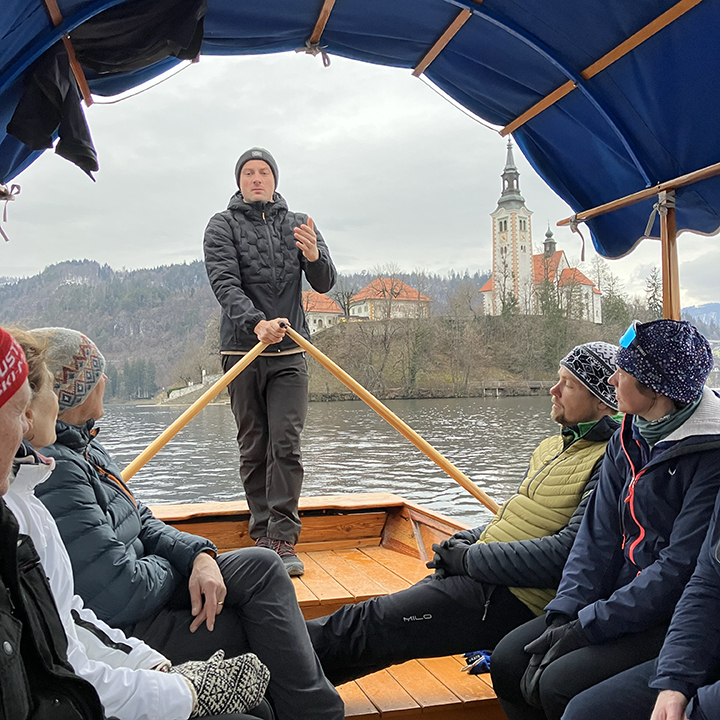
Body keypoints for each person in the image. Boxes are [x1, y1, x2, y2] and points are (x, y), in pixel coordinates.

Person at [32, 327, 344, 720]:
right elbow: (118, 590)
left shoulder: (85, 444)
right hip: (133, 622)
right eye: (97, 375)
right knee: (265, 634)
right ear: (74, 392)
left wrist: (198, 555)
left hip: (148, 588)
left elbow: (141, 519)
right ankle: (316, 711)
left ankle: (314, 712)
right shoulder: (58, 470)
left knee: (261, 565)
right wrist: (177, 567)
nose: (106, 381)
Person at [307, 342, 621, 685]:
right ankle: (287, 697)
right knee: (377, 631)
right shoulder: (554, 447)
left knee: (368, 622)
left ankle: (261, 653)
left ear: (604, 401)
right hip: (488, 575)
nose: (553, 390)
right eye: (557, 379)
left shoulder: (611, 461)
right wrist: (466, 539)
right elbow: (512, 519)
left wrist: (469, 559)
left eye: (569, 385)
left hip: (516, 598)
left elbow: (568, 555)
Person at [490, 319, 720, 720]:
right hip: (619, 597)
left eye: (624, 371)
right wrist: (565, 612)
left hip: (668, 611)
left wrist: (588, 626)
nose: (613, 379)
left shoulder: (709, 455)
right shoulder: (627, 435)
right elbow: (596, 538)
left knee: (560, 684)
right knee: (508, 660)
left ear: (654, 387)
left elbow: (679, 569)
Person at [203, 147, 337, 577]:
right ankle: (261, 534)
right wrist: (256, 323)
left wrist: (315, 256)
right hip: (242, 352)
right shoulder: (221, 226)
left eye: (264, 172)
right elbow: (224, 283)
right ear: (239, 181)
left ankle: (283, 537)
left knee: (286, 444)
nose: (256, 178)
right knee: (254, 444)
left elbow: (325, 282)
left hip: (292, 350)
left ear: (275, 180)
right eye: (248, 172)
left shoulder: (300, 224)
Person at [0, 326, 108, 719]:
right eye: (19, 409)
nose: (27, 424)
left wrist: (195, 551)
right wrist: (182, 691)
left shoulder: (42, 479)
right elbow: (114, 586)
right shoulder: (38, 493)